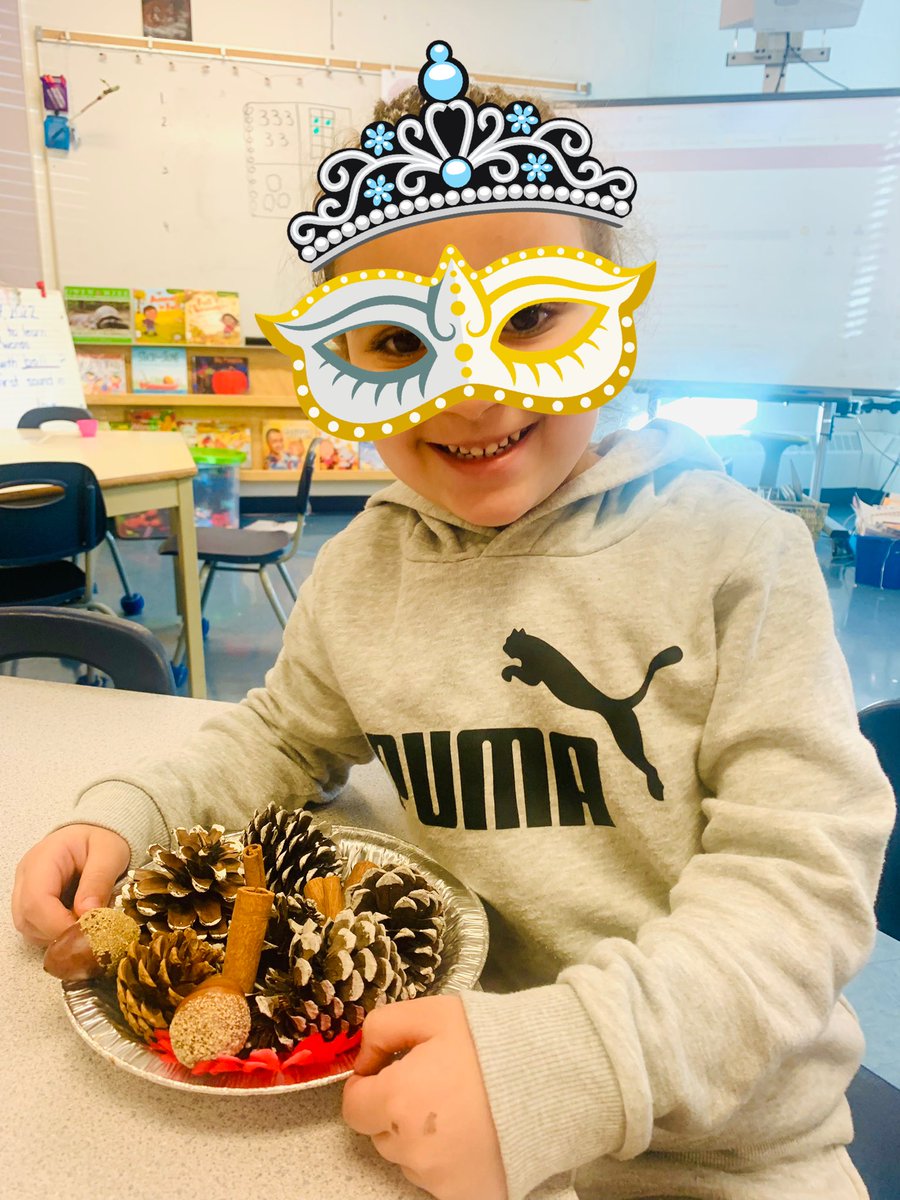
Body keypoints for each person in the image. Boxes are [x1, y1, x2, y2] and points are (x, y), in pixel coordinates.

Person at [12, 70, 894, 1200]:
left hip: (717, 1145)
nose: (473, 392)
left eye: (530, 319)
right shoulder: (365, 569)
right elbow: (279, 737)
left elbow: (801, 880)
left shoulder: (741, 558)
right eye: (393, 340)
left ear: (616, 305)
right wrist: (128, 813)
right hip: (416, 1104)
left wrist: (577, 1061)